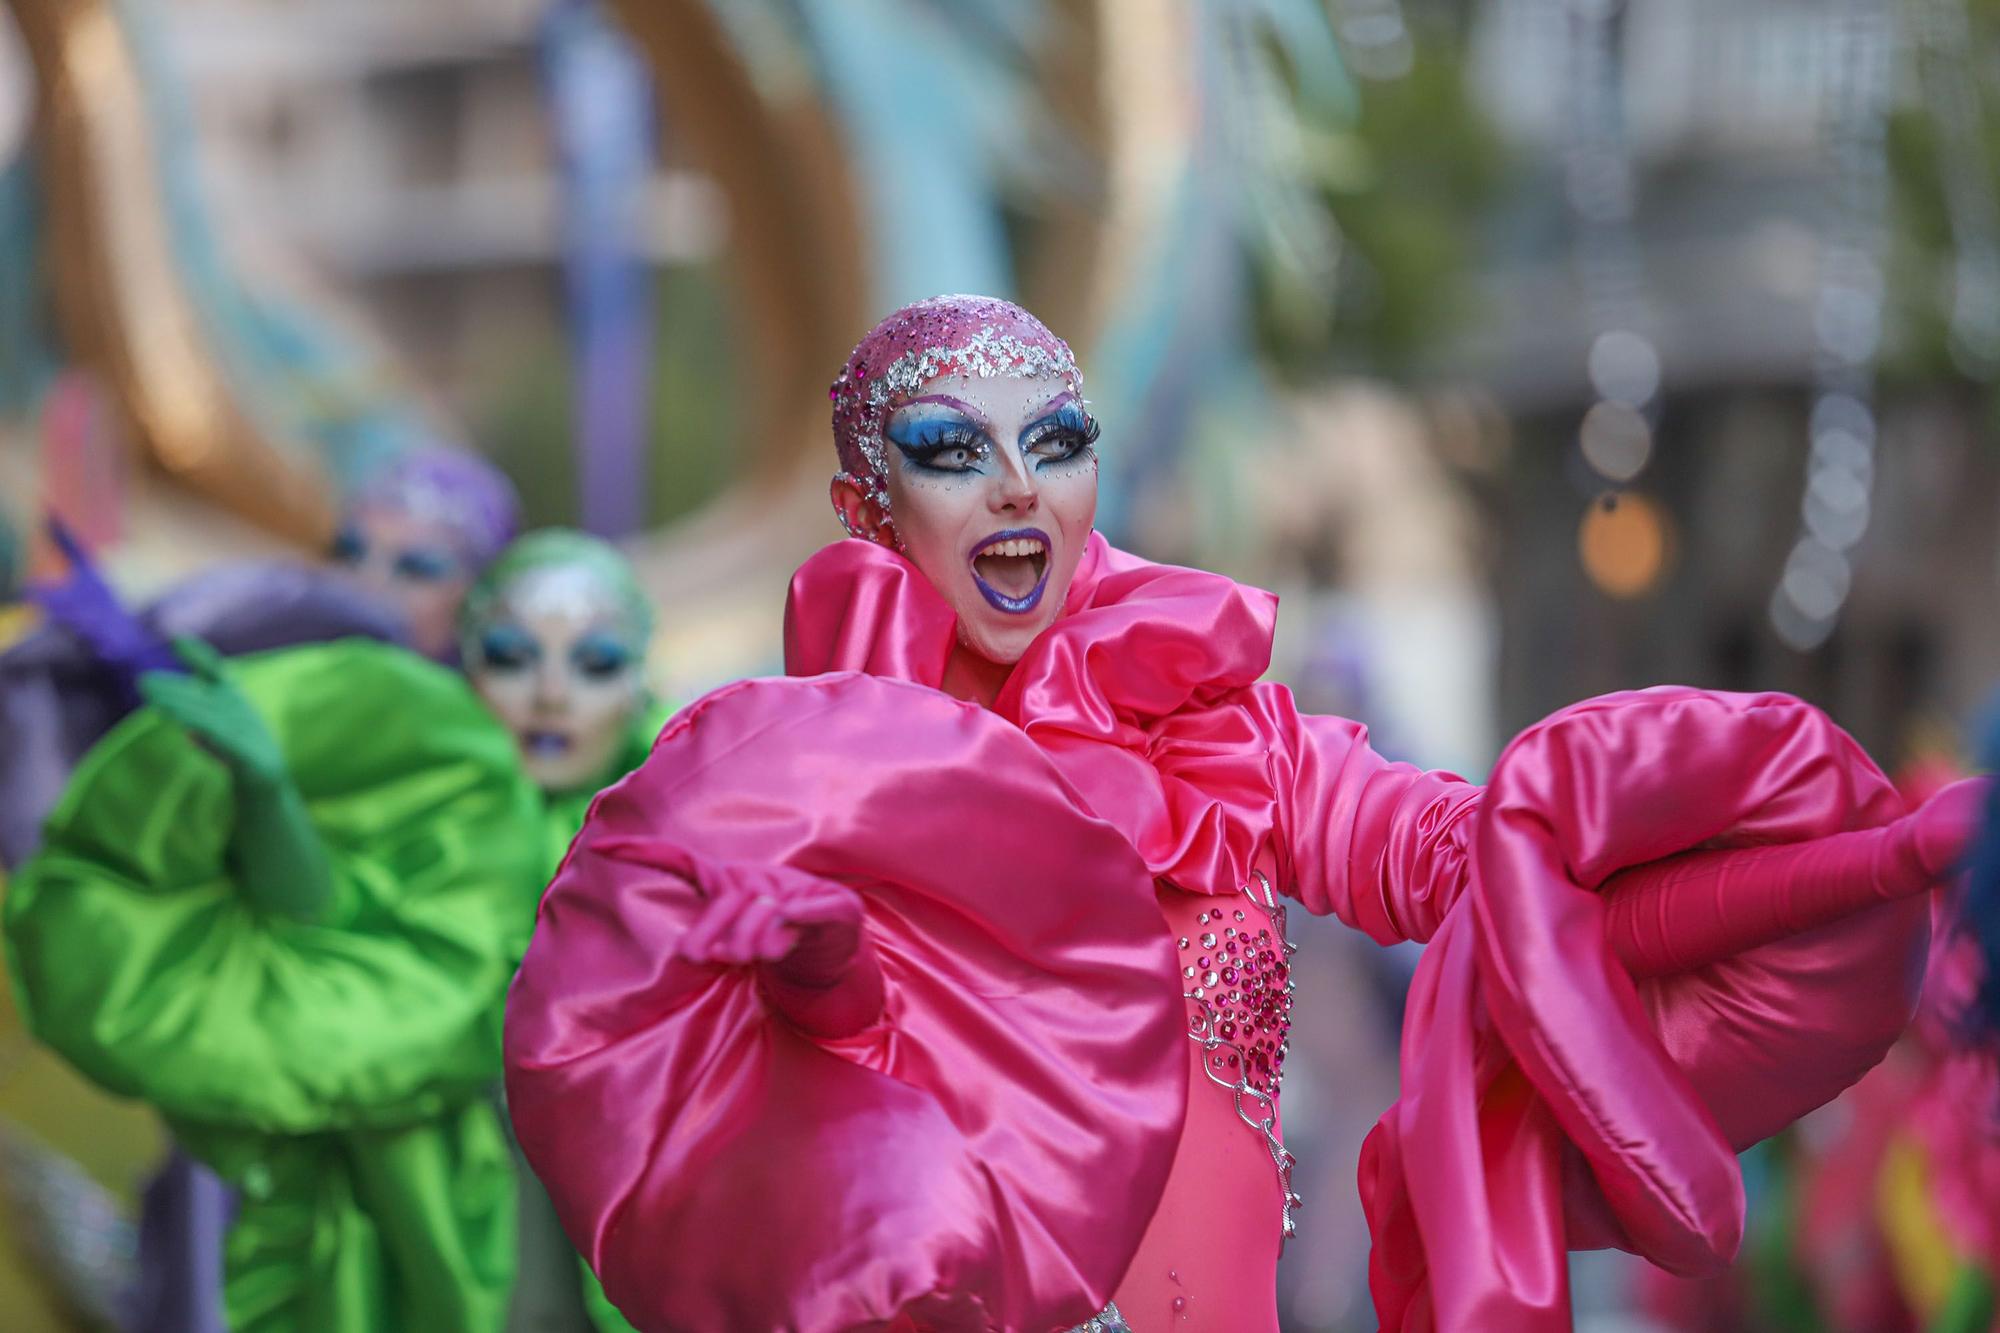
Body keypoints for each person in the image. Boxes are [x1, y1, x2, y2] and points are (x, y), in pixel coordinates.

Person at [505, 295, 1981, 1333]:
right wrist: (817, 982)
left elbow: (1464, 861)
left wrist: (1822, 854)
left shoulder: (1212, 724)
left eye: (1058, 437)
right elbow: (791, 1157)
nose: (1021, 486)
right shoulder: (785, 789)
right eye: (955, 449)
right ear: (860, 507)